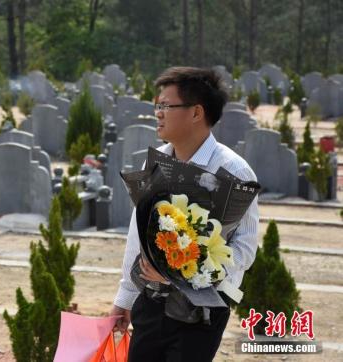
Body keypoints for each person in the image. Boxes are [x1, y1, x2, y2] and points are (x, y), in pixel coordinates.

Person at [110, 67, 259, 362]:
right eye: (158, 105)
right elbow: (136, 237)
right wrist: (124, 299)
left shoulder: (234, 171)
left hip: (201, 312)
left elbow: (245, 249)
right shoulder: (155, 164)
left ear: (196, 113)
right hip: (150, 301)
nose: (158, 113)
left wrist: (191, 273)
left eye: (166, 105)